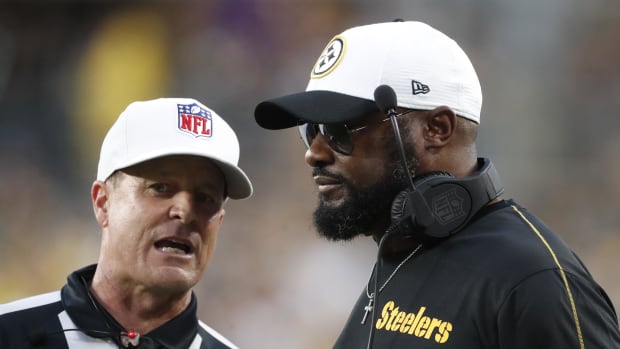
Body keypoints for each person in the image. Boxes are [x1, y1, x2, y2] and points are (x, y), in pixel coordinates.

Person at [254, 20, 620, 348]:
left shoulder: (532, 281)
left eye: (337, 131)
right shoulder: (402, 252)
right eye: (311, 130)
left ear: (436, 129)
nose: (314, 153)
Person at [0, 98, 253, 348]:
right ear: (103, 202)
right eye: (161, 188)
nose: (185, 211)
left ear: (218, 223)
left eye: (205, 198)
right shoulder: (9, 334)